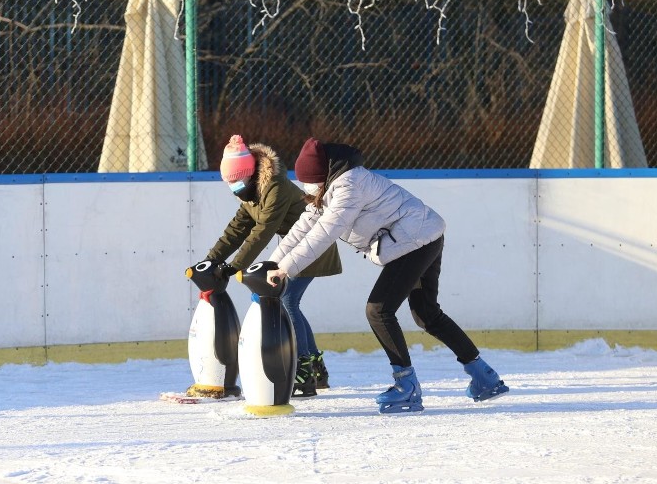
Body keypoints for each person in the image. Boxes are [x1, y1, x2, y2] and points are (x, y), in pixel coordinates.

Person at [266, 138, 509, 413]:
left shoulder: (349, 187)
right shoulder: (331, 189)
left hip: (416, 240)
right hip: (423, 235)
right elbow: (303, 227)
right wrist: (271, 263)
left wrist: (286, 269)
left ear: (323, 175)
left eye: (311, 182)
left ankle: (407, 387)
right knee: (426, 313)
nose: (309, 189)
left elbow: (325, 233)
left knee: (378, 311)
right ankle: (484, 377)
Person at [200, 135, 342, 397]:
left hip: (312, 246)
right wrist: (213, 258)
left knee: (287, 301)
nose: (233, 188)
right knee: (290, 302)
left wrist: (235, 266)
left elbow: (264, 229)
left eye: (236, 181)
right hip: (297, 248)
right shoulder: (252, 191)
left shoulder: (274, 186)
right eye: (229, 183)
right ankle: (315, 368)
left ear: (250, 174)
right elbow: (238, 227)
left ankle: (304, 368)